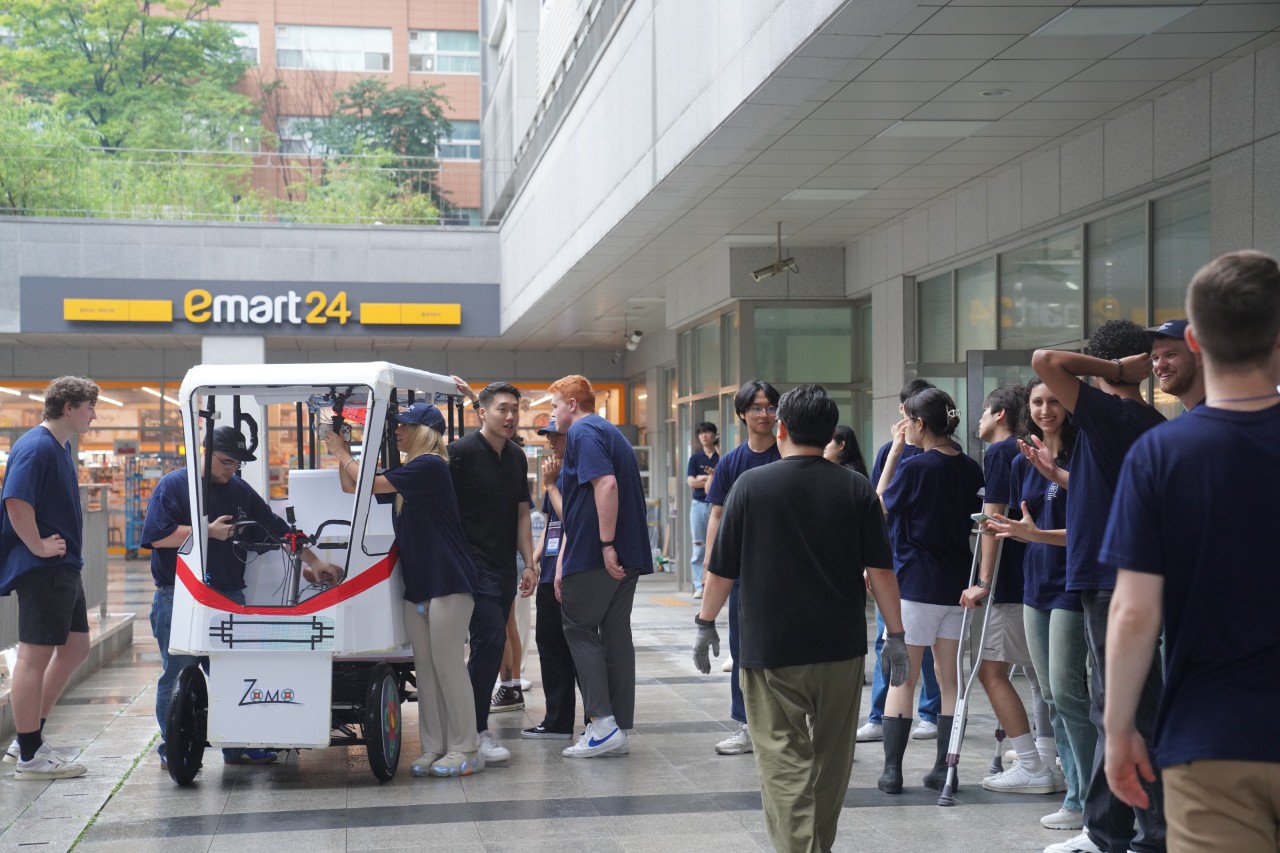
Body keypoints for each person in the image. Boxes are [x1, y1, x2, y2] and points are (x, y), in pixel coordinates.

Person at [1101, 251, 1280, 853]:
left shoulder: (1161, 455)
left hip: (1211, 737)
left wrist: (1119, 729)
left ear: (1196, 340)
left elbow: (1133, 611)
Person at [692, 384, 908, 853]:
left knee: (781, 761)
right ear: (831, 433)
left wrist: (706, 622)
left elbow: (722, 567)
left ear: (782, 428)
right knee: (832, 761)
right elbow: (882, 572)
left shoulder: (750, 485)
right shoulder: (856, 489)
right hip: (840, 648)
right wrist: (895, 635)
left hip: (770, 650)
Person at [1031, 319, 1167, 853]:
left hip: (1110, 580)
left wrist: (1114, 369)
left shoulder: (1114, 413)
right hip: (1119, 575)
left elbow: (1047, 360)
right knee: (1132, 706)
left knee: (1117, 707)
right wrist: (1059, 478)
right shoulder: (1141, 421)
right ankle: (1139, 831)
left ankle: (1113, 833)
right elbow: (1114, 490)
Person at [142, 425, 342, 768]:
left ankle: (237, 747)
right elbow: (157, 536)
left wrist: (313, 560)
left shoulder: (237, 488)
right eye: (224, 462)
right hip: (180, 596)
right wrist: (209, 532)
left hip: (229, 596)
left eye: (236, 464)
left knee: (233, 673)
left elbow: (275, 525)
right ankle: (172, 750)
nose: (230, 469)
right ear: (203, 452)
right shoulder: (175, 485)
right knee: (178, 672)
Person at [329, 402, 482, 777]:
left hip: (449, 582)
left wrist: (342, 451)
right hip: (420, 587)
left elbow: (365, 480)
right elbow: (352, 486)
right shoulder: (411, 471)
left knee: (448, 666)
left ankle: (466, 748)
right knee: (428, 670)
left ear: (423, 431)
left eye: (404, 425)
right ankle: (435, 746)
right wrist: (342, 454)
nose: (396, 431)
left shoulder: (430, 466)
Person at [988, 378, 1093, 831]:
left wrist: (1033, 534)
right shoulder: (1021, 457)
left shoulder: (1084, 453)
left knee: (1070, 693)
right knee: (1050, 694)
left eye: (1054, 401)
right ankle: (1077, 787)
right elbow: (1020, 523)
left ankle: (1085, 798)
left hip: (1071, 585)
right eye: (1037, 402)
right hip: (1034, 585)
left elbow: (1092, 528)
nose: (1046, 409)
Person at [876, 387, 984, 794]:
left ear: (918, 424)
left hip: (916, 582)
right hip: (958, 584)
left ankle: (892, 772)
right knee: (949, 680)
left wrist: (894, 454)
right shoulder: (972, 468)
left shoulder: (916, 467)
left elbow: (881, 504)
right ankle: (946, 769)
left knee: (903, 678)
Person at [0, 377, 98, 780]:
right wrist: (38, 545)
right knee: (33, 656)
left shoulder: (62, 446)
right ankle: (30, 755)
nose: (94, 413)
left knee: (76, 647)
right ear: (69, 407)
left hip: (65, 566)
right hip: (44, 568)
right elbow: (15, 500)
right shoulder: (37, 446)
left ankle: (28, 735)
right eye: (90, 406)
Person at [963, 385, 1059, 796]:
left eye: (985, 411)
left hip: (1012, 581)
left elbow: (992, 523)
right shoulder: (1030, 449)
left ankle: (1034, 764)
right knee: (1041, 676)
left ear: (999, 413)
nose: (980, 419)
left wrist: (984, 582)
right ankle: (1046, 756)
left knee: (991, 670)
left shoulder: (1003, 453)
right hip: (1036, 575)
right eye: (1038, 402)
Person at [549, 374, 650, 758]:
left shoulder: (583, 432)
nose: (554, 414)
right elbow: (584, 503)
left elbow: (604, 486)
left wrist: (606, 545)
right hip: (623, 552)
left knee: (578, 628)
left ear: (572, 404)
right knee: (615, 633)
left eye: (555, 405)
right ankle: (616, 726)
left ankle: (604, 725)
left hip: (597, 554)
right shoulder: (609, 432)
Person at [448, 378, 535, 764]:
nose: (510, 416)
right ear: (482, 412)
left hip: (503, 566)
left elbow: (521, 513)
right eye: (502, 409)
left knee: (492, 643)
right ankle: (475, 729)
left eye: (514, 409)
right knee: (488, 644)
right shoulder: (460, 453)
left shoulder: (516, 456)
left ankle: (468, 726)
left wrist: (529, 562)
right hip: (470, 564)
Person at [858, 379, 943, 744]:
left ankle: (929, 713)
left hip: (924, 565)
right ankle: (879, 715)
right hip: (892, 560)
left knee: (926, 646)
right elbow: (875, 509)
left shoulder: (940, 456)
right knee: (887, 638)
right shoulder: (889, 452)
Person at [701, 380, 781, 757]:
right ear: (742, 414)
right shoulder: (732, 461)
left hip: (784, 570)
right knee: (743, 649)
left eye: (770, 407)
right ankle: (745, 724)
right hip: (744, 572)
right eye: (757, 408)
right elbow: (717, 513)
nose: (764, 415)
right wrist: (711, 562)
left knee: (784, 650)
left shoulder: (788, 454)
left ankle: (785, 725)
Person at [521, 417, 580, 740]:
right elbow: (552, 522)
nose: (551, 442)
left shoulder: (573, 471)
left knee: (576, 648)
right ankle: (557, 720)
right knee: (549, 646)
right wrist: (535, 557)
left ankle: (599, 718)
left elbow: (571, 516)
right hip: (550, 571)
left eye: (556, 435)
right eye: (548, 436)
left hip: (570, 572)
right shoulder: (556, 470)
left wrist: (552, 485)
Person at [685, 422, 719, 599]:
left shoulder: (721, 457)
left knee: (717, 546)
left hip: (717, 505)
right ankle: (699, 585)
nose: (704, 436)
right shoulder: (695, 458)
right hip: (698, 504)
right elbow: (690, 482)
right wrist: (710, 478)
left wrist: (703, 478)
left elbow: (722, 482)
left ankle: (715, 585)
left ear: (714, 435)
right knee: (699, 545)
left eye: (707, 432)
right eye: (701, 433)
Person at [1147, 319, 1205, 411]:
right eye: (1155, 358)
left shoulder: (1220, 415)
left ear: (1199, 357)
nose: (1159, 365)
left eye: (1170, 355)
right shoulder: (1192, 415)